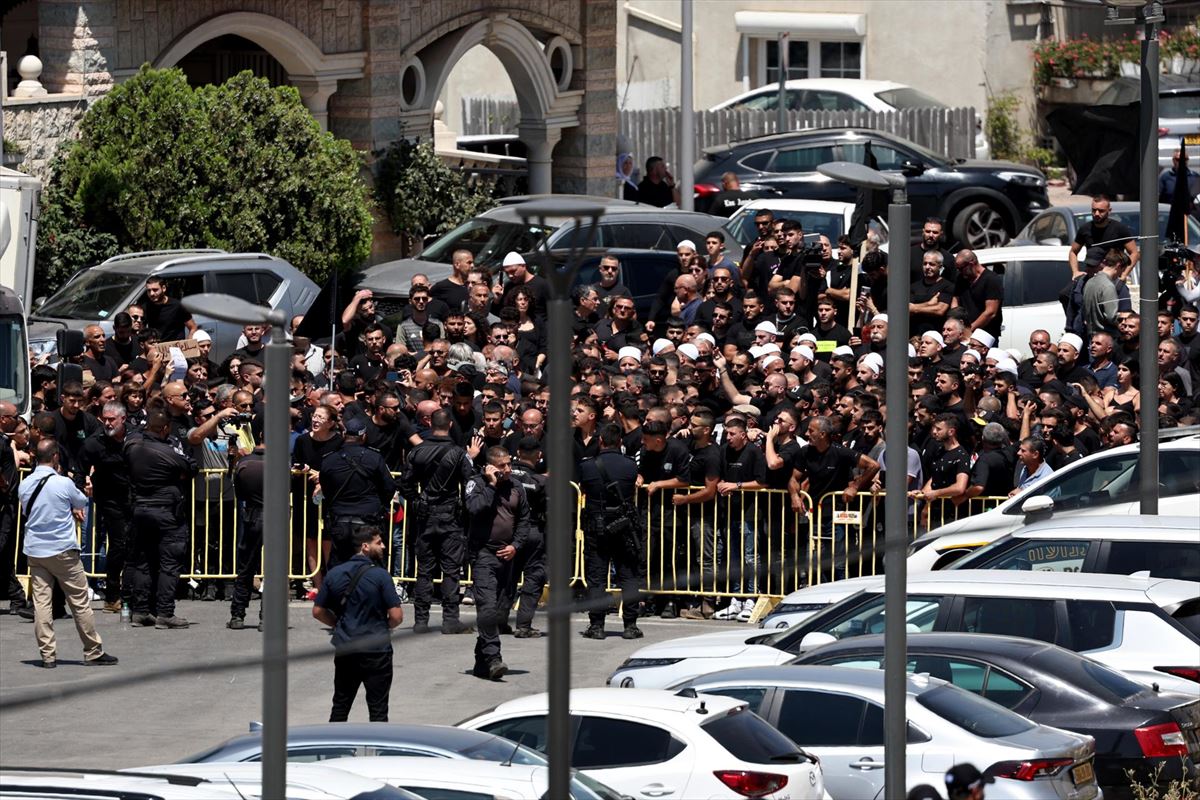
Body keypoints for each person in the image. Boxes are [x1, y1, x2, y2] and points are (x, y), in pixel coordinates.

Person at [19, 438, 118, 668]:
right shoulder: (62, 483)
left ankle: (47, 655)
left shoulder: (25, 484)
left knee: (42, 604)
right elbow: (81, 500)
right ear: (55, 458)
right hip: (62, 549)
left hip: (35, 549)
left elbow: (26, 510)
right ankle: (93, 650)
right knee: (79, 601)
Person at [312, 525, 403, 721]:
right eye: (379, 543)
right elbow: (396, 616)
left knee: (340, 706)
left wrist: (337, 623)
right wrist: (384, 626)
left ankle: (334, 750)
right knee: (378, 711)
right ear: (365, 547)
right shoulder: (380, 576)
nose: (384, 547)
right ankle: (379, 749)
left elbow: (318, 611)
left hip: (346, 648)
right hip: (377, 652)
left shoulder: (335, 574)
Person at [399, 408, 474, 635]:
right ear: (450, 425)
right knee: (451, 570)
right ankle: (450, 620)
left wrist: (417, 501)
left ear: (431, 424)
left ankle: (421, 620)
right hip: (450, 515)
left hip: (426, 515)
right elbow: (470, 483)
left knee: (425, 570)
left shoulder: (417, 451)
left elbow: (405, 484)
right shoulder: (459, 454)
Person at [125, 409, 199, 629]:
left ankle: (140, 611)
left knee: (143, 562)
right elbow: (190, 468)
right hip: (167, 512)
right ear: (166, 428)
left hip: (141, 509)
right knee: (169, 563)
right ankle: (165, 613)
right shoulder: (168, 451)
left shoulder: (133, 448)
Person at [465, 447, 533, 679]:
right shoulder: (476, 484)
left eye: (508, 464)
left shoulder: (517, 487)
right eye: (502, 465)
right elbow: (473, 509)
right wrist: (491, 485)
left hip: (508, 555)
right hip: (483, 554)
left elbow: (524, 520)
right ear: (491, 466)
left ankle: (481, 662)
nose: (508, 469)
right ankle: (494, 658)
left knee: (500, 609)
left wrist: (516, 545)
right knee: (487, 607)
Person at [578, 424, 644, 640]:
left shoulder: (587, 466)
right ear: (620, 443)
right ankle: (630, 625)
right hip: (624, 526)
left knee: (596, 577)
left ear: (601, 442)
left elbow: (585, 490)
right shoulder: (629, 466)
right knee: (628, 576)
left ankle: (596, 625)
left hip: (596, 526)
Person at [318, 417, 397, 569]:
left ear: (344, 435)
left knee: (339, 566)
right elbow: (388, 487)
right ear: (364, 436)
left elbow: (326, 488)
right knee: (372, 566)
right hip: (368, 519)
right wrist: (380, 505)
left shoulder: (329, 459)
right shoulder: (374, 458)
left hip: (340, 519)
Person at [79, 401, 133, 613]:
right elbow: (80, 472)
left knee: (135, 545)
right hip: (109, 499)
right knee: (118, 544)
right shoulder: (94, 443)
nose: (108, 423)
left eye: (112, 419)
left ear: (123, 419)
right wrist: (78, 498)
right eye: (105, 419)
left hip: (135, 497)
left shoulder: (135, 438)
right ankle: (112, 596)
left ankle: (135, 592)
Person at [505, 437, 547, 638]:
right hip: (532, 531)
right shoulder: (540, 481)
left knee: (506, 577)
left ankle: (499, 621)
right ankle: (523, 625)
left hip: (507, 532)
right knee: (534, 576)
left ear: (518, 453)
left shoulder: (503, 475)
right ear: (539, 456)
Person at [228, 437, 265, 631]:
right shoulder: (281, 463)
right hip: (275, 516)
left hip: (252, 515)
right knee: (274, 570)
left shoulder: (244, 463)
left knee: (245, 567)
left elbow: (239, 493)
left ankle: (237, 615)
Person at [1068, 195, 1138, 282]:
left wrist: (1124, 274)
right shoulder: (1085, 229)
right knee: (1066, 294)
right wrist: (1075, 271)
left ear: (1109, 211)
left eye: (1101, 211)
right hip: (1091, 276)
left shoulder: (1119, 229)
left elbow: (1134, 253)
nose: (1097, 213)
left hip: (1112, 278)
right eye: (1094, 210)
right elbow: (1073, 252)